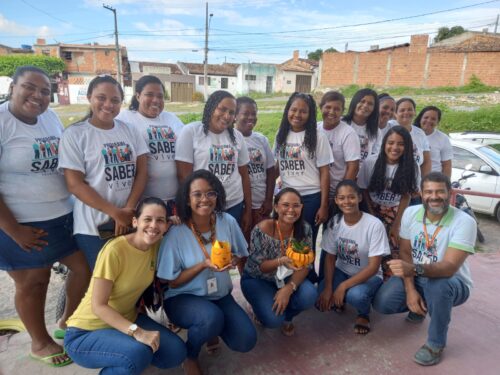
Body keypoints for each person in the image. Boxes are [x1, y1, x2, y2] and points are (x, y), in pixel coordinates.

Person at [0, 66, 90, 367]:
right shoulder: (2, 122)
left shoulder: (50, 117)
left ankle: (66, 322)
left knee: (85, 268)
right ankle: (39, 342)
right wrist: (14, 230)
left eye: (44, 91)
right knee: (34, 282)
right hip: (21, 222)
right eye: (29, 87)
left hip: (62, 214)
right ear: (13, 87)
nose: (37, 96)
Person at [64, 197, 186, 374]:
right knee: (137, 354)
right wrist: (137, 332)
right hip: (86, 332)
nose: (153, 225)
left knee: (175, 352)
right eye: (147, 219)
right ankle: (126, 359)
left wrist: (175, 223)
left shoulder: (156, 245)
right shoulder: (115, 250)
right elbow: (98, 306)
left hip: (127, 318)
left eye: (160, 220)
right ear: (135, 222)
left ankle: (124, 358)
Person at [157, 170, 257, 375]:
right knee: (210, 318)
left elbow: (239, 254)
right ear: (186, 199)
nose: (205, 199)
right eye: (197, 194)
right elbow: (171, 282)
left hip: (219, 295)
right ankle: (190, 354)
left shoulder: (226, 220)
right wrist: (202, 265)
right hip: (183, 297)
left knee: (246, 340)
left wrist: (232, 261)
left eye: (211, 193)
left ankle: (210, 328)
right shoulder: (175, 232)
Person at [373, 172, 476, 366]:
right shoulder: (411, 213)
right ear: (421, 193)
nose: (434, 196)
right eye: (429, 191)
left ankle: (435, 344)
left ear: (450, 192)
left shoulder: (464, 222)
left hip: (453, 282)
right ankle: (420, 307)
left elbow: (449, 267)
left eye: (440, 191)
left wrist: (412, 270)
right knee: (382, 303)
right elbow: (405, 252)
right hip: (418, 275)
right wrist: (411, 290)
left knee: (439, 286)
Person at [58, 75, 149, 270]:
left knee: (128, 280)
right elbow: (75, 184)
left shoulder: (130, 130)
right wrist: (115, 213)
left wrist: (128, 209)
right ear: (89, 97)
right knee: (105, 286)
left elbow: (142, 172)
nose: (108, 104)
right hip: (94, 228)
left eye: (115, 100)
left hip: (128, 220)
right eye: (101, 98)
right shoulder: (75, 134)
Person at [241, 187, 318, 337]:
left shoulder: (305, 229)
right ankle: (259, 307)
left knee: (309, 295)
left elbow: (306, 264)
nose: (291, 210)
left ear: (302, 207)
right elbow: (260, 267)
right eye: (285, 205)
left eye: (296, 206)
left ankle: (287, 318)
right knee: (272, 319)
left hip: (287, 277)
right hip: (258, 278)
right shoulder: (263, 228)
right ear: (276, 207)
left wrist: (289, 287)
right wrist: (280, 261)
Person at [317, 180, 389, 334]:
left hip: (369, 275)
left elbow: (373, 267)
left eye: (351, 197)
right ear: (336, 200)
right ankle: (340, 298)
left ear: (359, 198)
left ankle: (363, 314)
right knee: (321, 292)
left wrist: (343, 286)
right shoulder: (335, 222)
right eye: (341, 198)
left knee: (356, 296)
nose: (346, 202)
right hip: (342, 271)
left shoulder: (374, 225)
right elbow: (330, 257)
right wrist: (329, 287)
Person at [175, 90, 252, 235]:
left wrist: (247, 209)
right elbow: (183, 176)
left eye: (232, 112)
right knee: (206, 248)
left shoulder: (237, 136)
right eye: (222, 109)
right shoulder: (191, 132)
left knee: (228, 250)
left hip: (234, 203)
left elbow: (244, 175)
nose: (227, 116)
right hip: (203, 205)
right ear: (211, 107)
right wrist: (194, 206)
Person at [274, 92, 333, 280]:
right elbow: (278, 165)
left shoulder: (317, 136)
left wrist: (323, 205)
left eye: (303, 111)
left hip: (310, 198)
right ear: (287, 111)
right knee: (286, 240)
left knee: (307, 241)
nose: (297, 115)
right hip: (286, 198)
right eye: (293, 110)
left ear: (310, 115)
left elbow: (325, 172)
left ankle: (307, 278)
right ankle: (286, 275)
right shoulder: (281, 133)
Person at [117, 75, 184, 213]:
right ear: (138, 96)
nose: (156, 100)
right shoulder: (125, 118)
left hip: (174, 200)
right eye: (149, 95)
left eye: (160, 96)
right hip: (144, 202)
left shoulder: (170, 118)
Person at [358, 126, 419, 276]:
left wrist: (397, 224)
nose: (395, 147)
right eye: (391, 143)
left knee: (393, 250)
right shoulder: (370, 162)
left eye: (401, 144)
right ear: (384, 143)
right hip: (371, 209)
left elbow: (406, 195)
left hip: (396, 211)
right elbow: (364, 189)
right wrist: (373, 216)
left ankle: (388, 286)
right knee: (369, 249)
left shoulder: (412, 166)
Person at [234, 96, 275, 237]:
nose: (251, 117)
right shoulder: (231, 139)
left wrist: (269, 199)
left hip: (261, 204)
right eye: (246, 113)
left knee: (261, 244)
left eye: (254, 114)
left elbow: (271, 171)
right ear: (235, 115)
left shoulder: (261, 139)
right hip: (241, 205)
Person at [317, 91, 360, 198]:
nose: (331, 112)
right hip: (315, 188)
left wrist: (341, 193)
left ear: (342, 112)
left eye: (337, 109)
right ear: (321, 108)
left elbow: (353, 167)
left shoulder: (348, 133)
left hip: (335, 190)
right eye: (328, 107)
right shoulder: (315, 128)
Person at [388, 97, 431, 179]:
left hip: (414, 182)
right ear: (395, 113)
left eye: (410, 109)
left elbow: (426, 162)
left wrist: (425, 182)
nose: (406, 112)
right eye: (402, 110)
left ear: (415, 112)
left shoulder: (420, 133)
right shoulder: (388, 127)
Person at [342, 88, 380, 164]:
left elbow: (375, 156)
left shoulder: (376, 131)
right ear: (354, 102)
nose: (365, 105)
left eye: (370, 104)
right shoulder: (341, 123)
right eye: (362, 101)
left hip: (363, 174)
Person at [414, 106, 452, 178]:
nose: (429, 121)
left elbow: (447, 165)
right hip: (414, 179)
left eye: (433, 119)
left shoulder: (443, 138)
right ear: (420, 118)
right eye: (426, 117)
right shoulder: (411, 133)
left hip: (434, 180)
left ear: (437, 122)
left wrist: (446, 185)